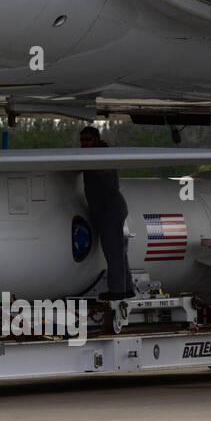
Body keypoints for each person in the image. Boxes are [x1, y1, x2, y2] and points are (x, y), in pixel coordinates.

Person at [79, 126, 135, 300]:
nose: (84, 143)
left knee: (113, 251)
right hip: (109, 208)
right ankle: (126, 288)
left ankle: (118, 290)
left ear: (96, 139)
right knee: (118, 251)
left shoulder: (100, 156)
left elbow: (102, 173)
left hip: (109, 208)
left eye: (87, 139)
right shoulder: (97, 155)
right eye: (82, 140)